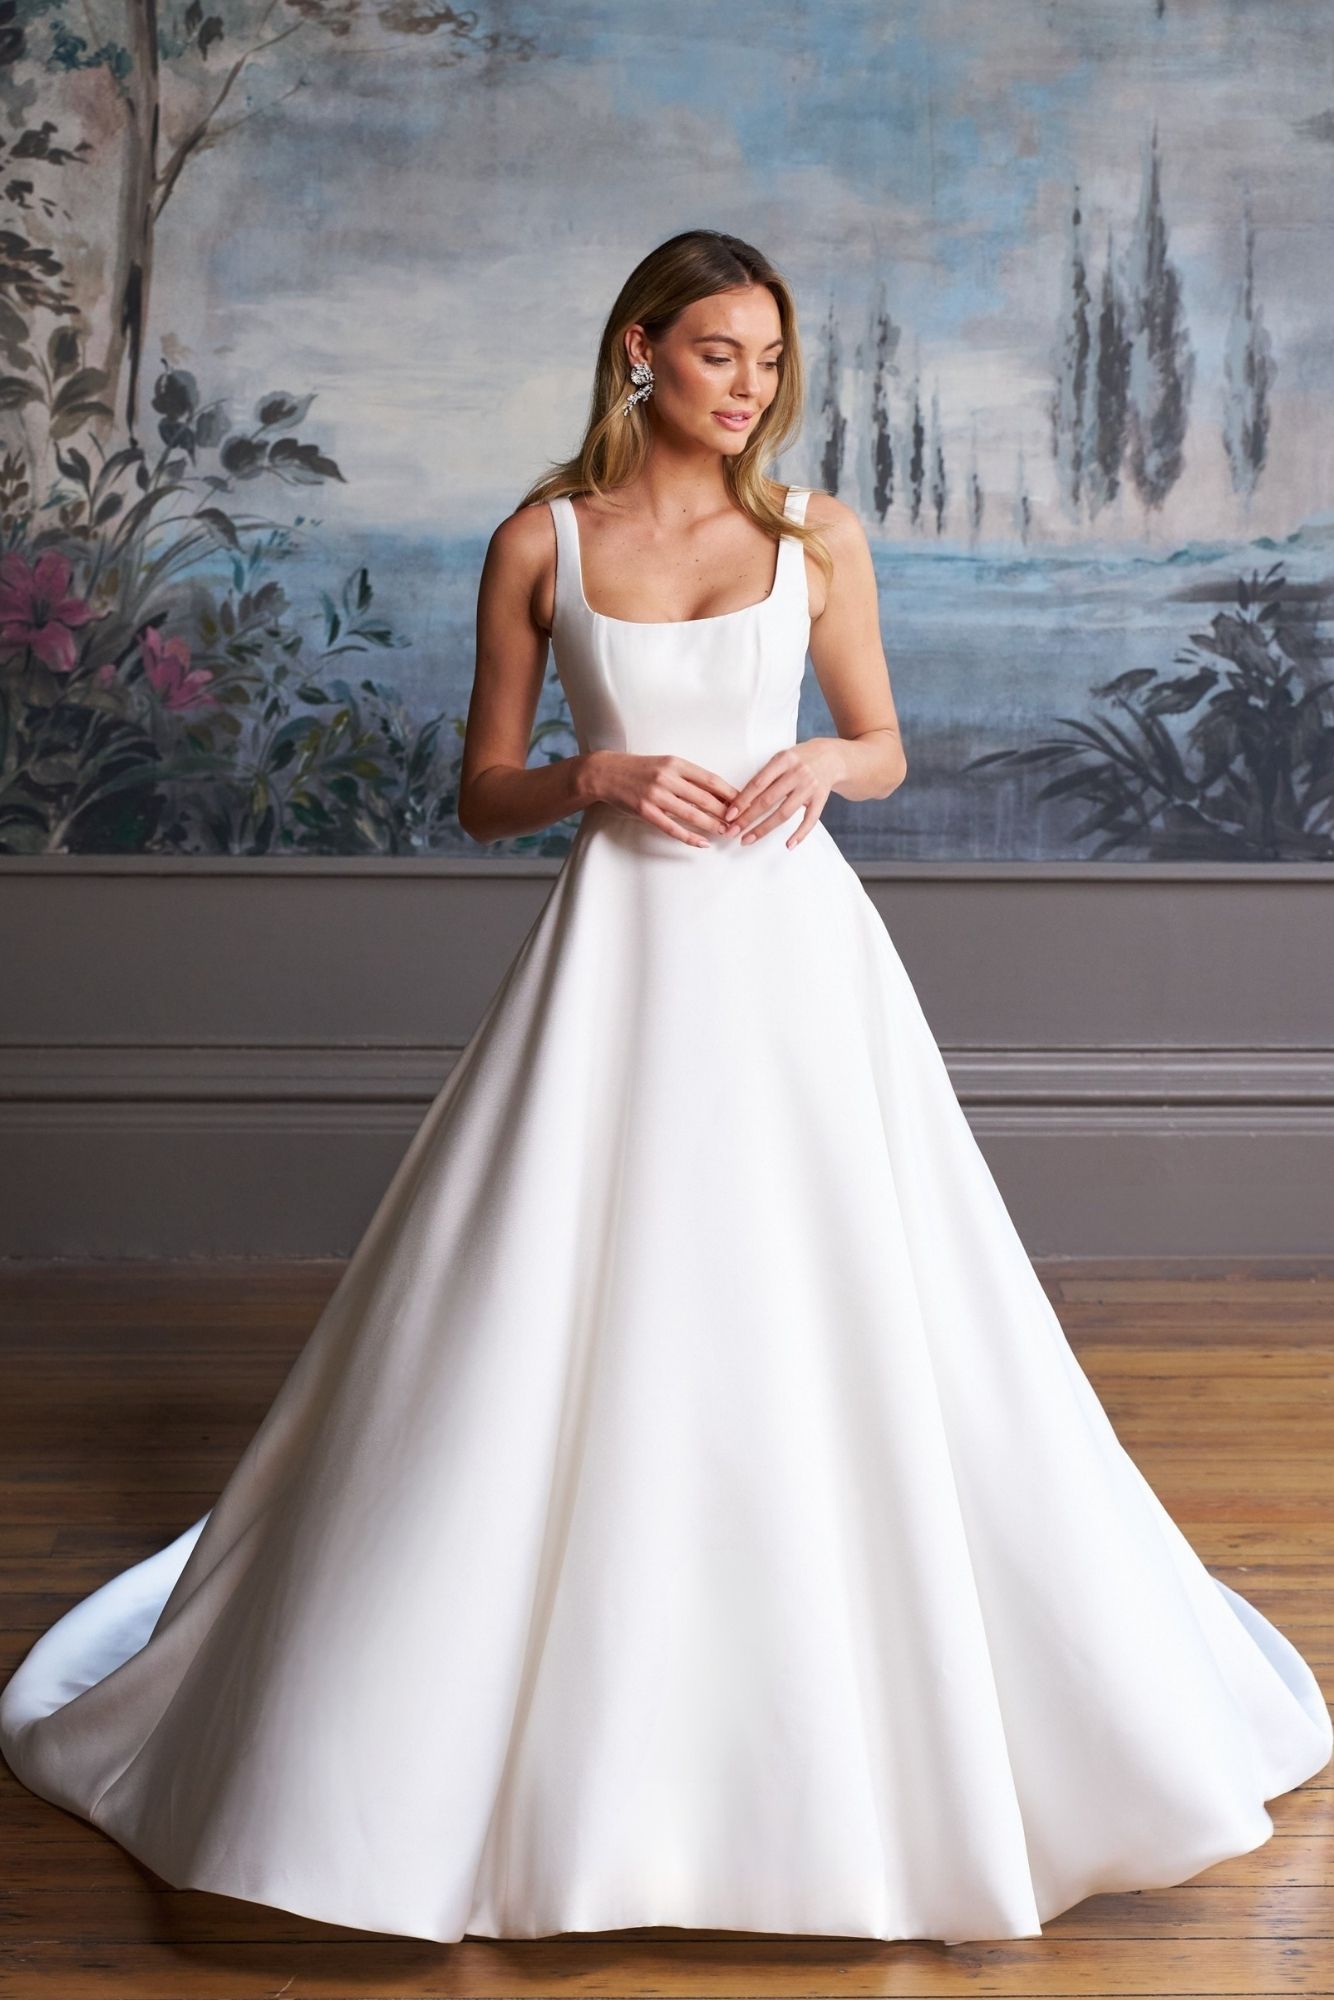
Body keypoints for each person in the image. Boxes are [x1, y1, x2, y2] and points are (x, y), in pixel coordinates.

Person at [1, 228, 1329, 1948]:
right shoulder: (539, 541)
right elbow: (482, 791)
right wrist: (596, 771)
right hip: (616, 955)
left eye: (769, 362)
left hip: (792, 956)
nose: (749, 389)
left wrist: (818, 763)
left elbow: (884, 741)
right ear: (638, 352)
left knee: (833, 1299)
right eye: (719, 355)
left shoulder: (810, 536)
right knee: (554, 1306)